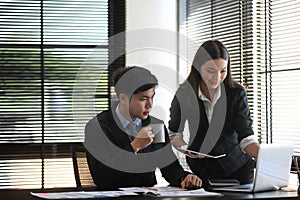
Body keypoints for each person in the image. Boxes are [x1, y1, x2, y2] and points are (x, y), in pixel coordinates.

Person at [84, 66, 202, 190]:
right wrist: (134, 147)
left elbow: (171, 169)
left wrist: (185, 178)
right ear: (123, 98)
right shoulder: (97, 127)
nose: (150, 104)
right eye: (143, 99)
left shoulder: (156, 126)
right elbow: (102, 178)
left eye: (152, 97)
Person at [168, 40, 259, 187]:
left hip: (239, 169)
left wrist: (264, 156)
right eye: (211, 71)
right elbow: (174, 134)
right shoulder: (184, 94)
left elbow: (246, 137)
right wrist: (187, 149)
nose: (217, 77)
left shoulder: (236, 93)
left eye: (223, 71)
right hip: (201, 171)